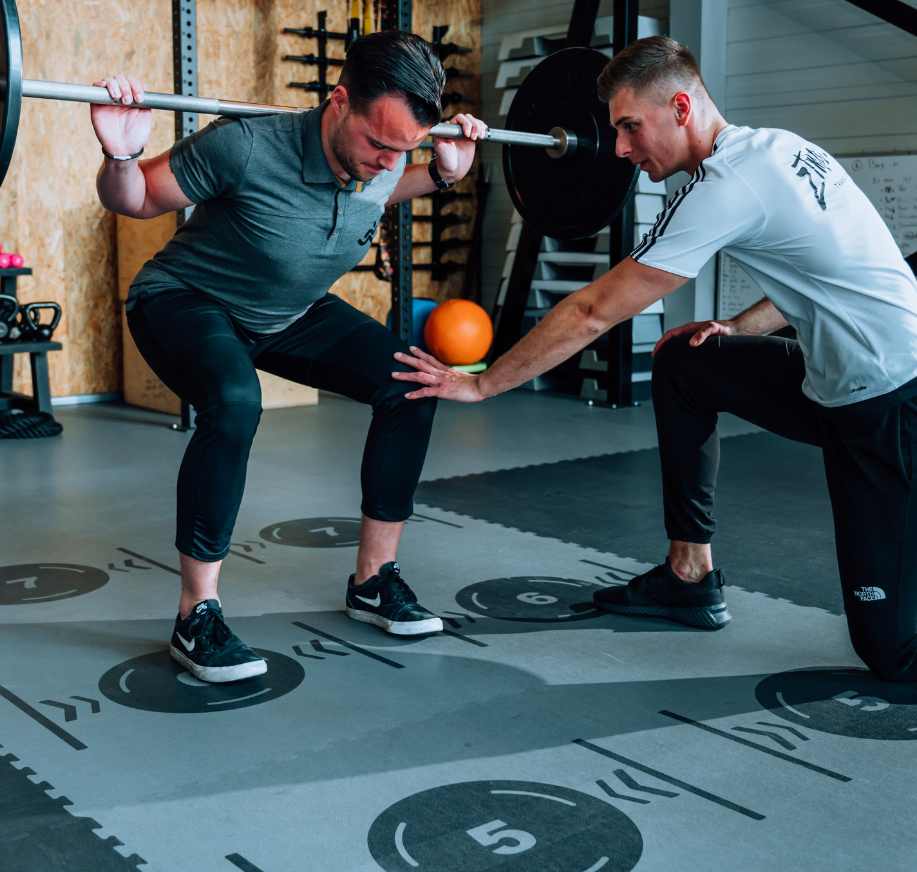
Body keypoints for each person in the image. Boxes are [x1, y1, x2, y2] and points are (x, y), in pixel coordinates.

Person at [393, 35, 917, 682]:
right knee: (688, 361)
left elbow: (593, 310)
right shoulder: (778, 148)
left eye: (630, 127)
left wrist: (482, 386)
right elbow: (813, 275)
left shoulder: (725, 186)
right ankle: (688, 573)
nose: (618, 148)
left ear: (679, 107)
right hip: (837, 382)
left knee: (890, 651)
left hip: (891, 403)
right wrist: (735, 325)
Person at [90, 31, 484, 684]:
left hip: (288, 313)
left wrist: (441, 173)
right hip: (187, 301)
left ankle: (371, 580)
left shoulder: (380, 160)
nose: (387, 162)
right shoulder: (242, 146)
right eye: (378, 144)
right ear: (338, 103)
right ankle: (197, 614)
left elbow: (379, 188)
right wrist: (121, 155)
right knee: (236, 402)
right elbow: (134, 201)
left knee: (413, 382)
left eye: (403, 151)